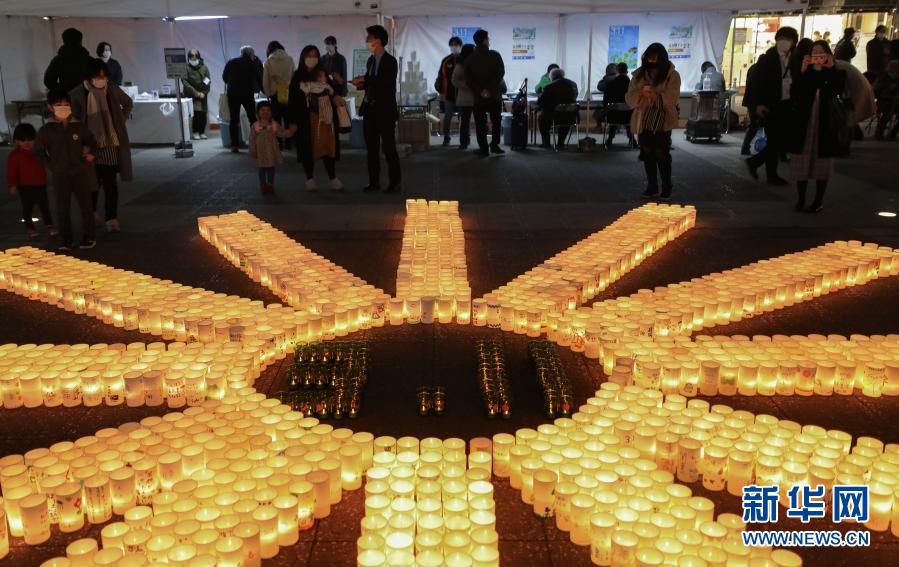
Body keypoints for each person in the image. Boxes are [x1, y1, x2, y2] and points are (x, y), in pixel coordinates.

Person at [69, 58, 133, 234]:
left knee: (110, 183)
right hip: (89, 145)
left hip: (110, 143)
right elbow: (72, 118)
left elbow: (128, 103)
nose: (101, 80)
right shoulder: (78, 93)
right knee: (92, 183)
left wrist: (119, 121)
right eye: (97, 76)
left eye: (104, 76)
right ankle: (92, 213)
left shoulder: (111, 89)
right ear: (89, 77)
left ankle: (111, 217)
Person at [33, 90, 97, 250]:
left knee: (86, 206)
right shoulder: (47, 130)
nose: (63, 107)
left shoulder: (78, 126)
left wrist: (91, 156)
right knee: (62, 208)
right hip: (60, 174)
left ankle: (89, 236)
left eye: (66, 104)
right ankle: (66, 239)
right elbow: (38, 151)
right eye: (58, 105)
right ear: (50, 107)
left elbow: (93, 143)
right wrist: (52, 165)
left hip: (80, 172)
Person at [788, 41, 846, 213]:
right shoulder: (805, 72)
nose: (818, 56)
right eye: (814, 52)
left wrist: (831, 69)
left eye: (821, 53)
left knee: (822, 164)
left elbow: (836, 90)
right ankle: (801, 199)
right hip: (804, 122)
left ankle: (818, 201)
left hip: (825, 123)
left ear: (828, 54)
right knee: (801, 161)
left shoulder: (836, 72)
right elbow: (795, 93)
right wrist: (803, 70)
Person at [625, 43, 681, 200]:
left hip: (663, 120)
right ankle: (652, 186)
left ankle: (666, 186)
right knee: (647, 152)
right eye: (649, 58)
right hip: (643, 119)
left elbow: (672, 97)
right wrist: (641, 93)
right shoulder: (639, 75)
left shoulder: (672, 75)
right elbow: (629, 97)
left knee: (661, 153)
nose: (652, 62)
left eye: (655, 58)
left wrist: (655, 96)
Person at [745, 26, 799, 186]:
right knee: (776, 140)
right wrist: (758, 104)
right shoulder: (767, 58)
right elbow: (756, 83)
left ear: (793, 42)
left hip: (787, 104)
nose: (783, 42)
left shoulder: (795, 59)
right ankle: (769, 173)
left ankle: (757, 163)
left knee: (780, 141)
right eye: (780, 38)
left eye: (787, 39)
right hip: (770, 105)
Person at [351, 25, 401, 193]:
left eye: (369, 38)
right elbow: (371, 83)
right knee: (371, 149)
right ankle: (374, 182)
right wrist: (361, 84)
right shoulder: (371, 60)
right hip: (370, 109)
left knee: (389, 148)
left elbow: (384, 82)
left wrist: (365, 79)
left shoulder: (390, 61)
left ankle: (394, 182)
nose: (367, 41)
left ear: (378, 41)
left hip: (385, 111)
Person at [288, 50, 344, 191]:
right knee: (308, 148)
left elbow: (333, 91)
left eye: (315, 56)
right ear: (303, 57)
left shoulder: (322, 73)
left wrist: (337, 90)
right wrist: (292, 121)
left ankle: (332, 177)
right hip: (305, 119)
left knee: (327, 147)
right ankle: (309, 178)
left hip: (326, 118)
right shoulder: (297, 76)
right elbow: (292, 100)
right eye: (309, 55)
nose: (312, 59)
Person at [7, 123, 56, 238]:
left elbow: (47, 163)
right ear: (17, 141)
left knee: (44, 207)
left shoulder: (38, 152)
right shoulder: (15, 155)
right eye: (23, 140)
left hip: (40, 184)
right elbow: (11, 172)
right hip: (25, 186)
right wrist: (12, 185)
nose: (27, 143)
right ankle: (30, 227)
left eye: (30, 140)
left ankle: (49, 225)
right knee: (27, 208)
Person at [465, 29, 506, 156]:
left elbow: (468, 80)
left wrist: (481, 90)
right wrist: (489, 89)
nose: (489, 41)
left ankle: (483, 148)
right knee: (496, 121)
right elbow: (500, 73)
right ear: (484, 40)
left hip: (479, 97)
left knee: (480, 124)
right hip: (494, 95)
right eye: (488, 39)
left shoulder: (470, 59)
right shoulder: (495, 55)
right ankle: (494, 145)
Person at [223, 46, 263, 153]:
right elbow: (259, 77)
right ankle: (256, 142)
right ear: (251, 54)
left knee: (234, 119)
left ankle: (234, 145)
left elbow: (225, 78)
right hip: (247, 93)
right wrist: (263, 89)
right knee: (252, 118)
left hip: (233, 93)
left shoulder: (231, 62)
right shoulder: (252, 63)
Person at [262, 41, 296, 146]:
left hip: (275, 94)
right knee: (288, 118)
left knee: (276, 120)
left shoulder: (268, 62)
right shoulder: (290, 60)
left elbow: (265, 81)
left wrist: (268, 93)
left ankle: (278, 143)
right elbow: (294, 77)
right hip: (287, 93)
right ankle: (289, 142)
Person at [537, 68, 578, 149]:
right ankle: (560, 143)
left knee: (542, 118)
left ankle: (546, 143)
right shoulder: (573, 84)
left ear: (552, 77)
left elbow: (540, 102)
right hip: (571, 116)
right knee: (565, 120)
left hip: (553, 117)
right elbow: (574, 97)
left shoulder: (549, 87)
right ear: (563, 75)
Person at [249, 101, 284, 194]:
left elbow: (281, 133)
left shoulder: (274, 124)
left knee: (271, 168)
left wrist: (290, 132)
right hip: (260, 152)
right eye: (262, 110)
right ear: (258, 112)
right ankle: (263, 185)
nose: (265, 112)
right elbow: (252, 139)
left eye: (268, 110)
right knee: (262, 169)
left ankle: (270, 184)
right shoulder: (255, 125)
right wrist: (253, 150)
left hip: (271, 151)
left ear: (271, 112)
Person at [44, 28, 93, 93]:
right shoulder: (88, 59)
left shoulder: (58, 60)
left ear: (64, 41)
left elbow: (48, 81)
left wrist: (60, 90)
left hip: (67, 95)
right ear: (80, 41)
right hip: (86, 94)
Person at [600, 62, 635, 149]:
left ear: (617, 71)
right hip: (628, 116)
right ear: (627, 71)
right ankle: (632, 139)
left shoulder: (610, 84)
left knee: (613, 113)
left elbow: (605, 102)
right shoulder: (632, 86)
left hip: (612, 116)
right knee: (628, 115)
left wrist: (606, 110)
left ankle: (610, 139)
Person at [435, 36, 463, 146]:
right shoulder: (446, 61)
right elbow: (440, 77)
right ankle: (446, 137)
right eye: (452, 45)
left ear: (460, 46)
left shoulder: (465, 59)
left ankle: (464, 139)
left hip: (462, 95)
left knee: (464, 118)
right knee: (447, 117)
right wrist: (441, 91)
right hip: (448, 95)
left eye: (456, 45)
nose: (454, 47)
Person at [451, 44, 476, 151]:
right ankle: (464, 143)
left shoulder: (476, 63)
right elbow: (454, 80)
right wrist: (467, 85)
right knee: (465, 122)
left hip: (476, 98)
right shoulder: (460, 65)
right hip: (465, 98)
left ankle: (480, 144)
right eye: (473, 50)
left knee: (479, 121)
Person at [183, 49, 212, 140]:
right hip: (192, 94)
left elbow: (208, 80)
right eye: (192, 56)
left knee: (203, 113)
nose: (194, 58)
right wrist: (196, 93)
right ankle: (195, 132)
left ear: (199, 56)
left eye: (196, 56)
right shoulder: (185, 68)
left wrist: (204, 92)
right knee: (195, 113)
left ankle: (202, 132)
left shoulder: (204, 67)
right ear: (189, 57)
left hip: (203, 94)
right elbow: (185, 82)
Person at [741, 56, 763, 156]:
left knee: (754, 125)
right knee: (754, 125)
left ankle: (745, 147)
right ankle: (745, 147)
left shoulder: (752, 68)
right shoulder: (759, 71)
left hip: (751, 101)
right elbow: (756, 88)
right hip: (756, 102)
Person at [873, 60, 899, 140]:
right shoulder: (883, 77)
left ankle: (894, 132)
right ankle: (880, 132)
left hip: (896, 102)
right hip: (884, 102)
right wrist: (887, 89)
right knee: (887, 113)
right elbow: (876, 90)